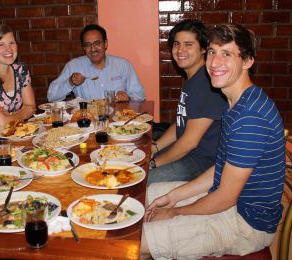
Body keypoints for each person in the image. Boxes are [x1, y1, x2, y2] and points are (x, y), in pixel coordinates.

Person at [140, 24, 285, 259]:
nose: (215, 62)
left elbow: (226, 197)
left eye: (226, 54)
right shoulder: (237, 103)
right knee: (148, 196)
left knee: (138, 240)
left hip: (245, 223)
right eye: (212, 52)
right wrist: (173, 197)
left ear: (247, 61)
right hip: (229, 202)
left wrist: (176, 212)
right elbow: (220, 168)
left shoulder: (250, 118)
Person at [149, 19, 226, 184]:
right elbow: (180, 124)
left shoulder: (206, 85)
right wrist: (154, 147)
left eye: (188, 44)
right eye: (176, 44)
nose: (180, 50)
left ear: (204, 49)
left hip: (204, 161)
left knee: (143, 179)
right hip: (191, 152)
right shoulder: (194, 79)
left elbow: (189, 142)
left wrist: (154, 163)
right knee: (137, 157)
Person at [47, 24, 146, 102]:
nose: (93, 49)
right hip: (88, 123)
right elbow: (51, 97)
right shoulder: (73, 66)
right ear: (84, 48)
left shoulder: (123, 65)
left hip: (118, 121)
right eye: (88, 45)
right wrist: (70, 82)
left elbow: (140, 96)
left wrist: (127, 97)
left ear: (105, 44)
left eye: (97, 43)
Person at [0, 24, 36, 129]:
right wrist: (22, 114)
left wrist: (9, 116)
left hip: (16, 133)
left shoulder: (20, 69)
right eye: (1, 45)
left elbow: (31, 107)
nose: (8, 49)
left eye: (11, 43)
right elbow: (0, 124)